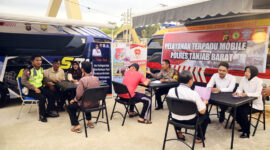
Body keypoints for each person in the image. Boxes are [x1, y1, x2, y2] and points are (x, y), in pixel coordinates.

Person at [167, 70, 209, 143]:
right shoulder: (194, 94)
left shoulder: (171, 90)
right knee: (205, 115)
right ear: (190, 81)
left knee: (178, 109)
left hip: (174, 119)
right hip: (190, 121)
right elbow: (202, 111)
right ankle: (199, 137)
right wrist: (204, 103)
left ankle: (178, 132)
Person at [22, 55, 59, 122]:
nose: (39, 62)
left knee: (51, 94)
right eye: (37, 60)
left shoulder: (41, 69)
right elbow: (24, 81)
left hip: (39, 87)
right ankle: (42, 115)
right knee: (42, 98)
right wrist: (34, 88)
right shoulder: (28, 70)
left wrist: (52, 80)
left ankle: (48, 112)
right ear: (32, 61)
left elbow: (43, 78)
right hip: (30, 90)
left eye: (40, 60)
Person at [67, 61, 100, 133]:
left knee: (69, 107)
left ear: (82, 69)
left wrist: (74, 100)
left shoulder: (82, 80)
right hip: (96, 103)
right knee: (87, 99)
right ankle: (89, 121)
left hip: (86, 104)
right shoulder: (96, 78)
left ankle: (76, 125)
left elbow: (78, 95)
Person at [232, 66, 263, 138]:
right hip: (245, 102)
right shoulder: (243, 79)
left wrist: (246, 94)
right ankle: (243, 126)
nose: (246, 73)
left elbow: (258, 94)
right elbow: (240, 88)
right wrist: (237, 92)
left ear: (253, 73)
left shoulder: (259, 81)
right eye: (245, 71)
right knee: (233, 110)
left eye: (248, 72)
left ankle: (246, 132)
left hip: (256, 105)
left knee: (242, 112)